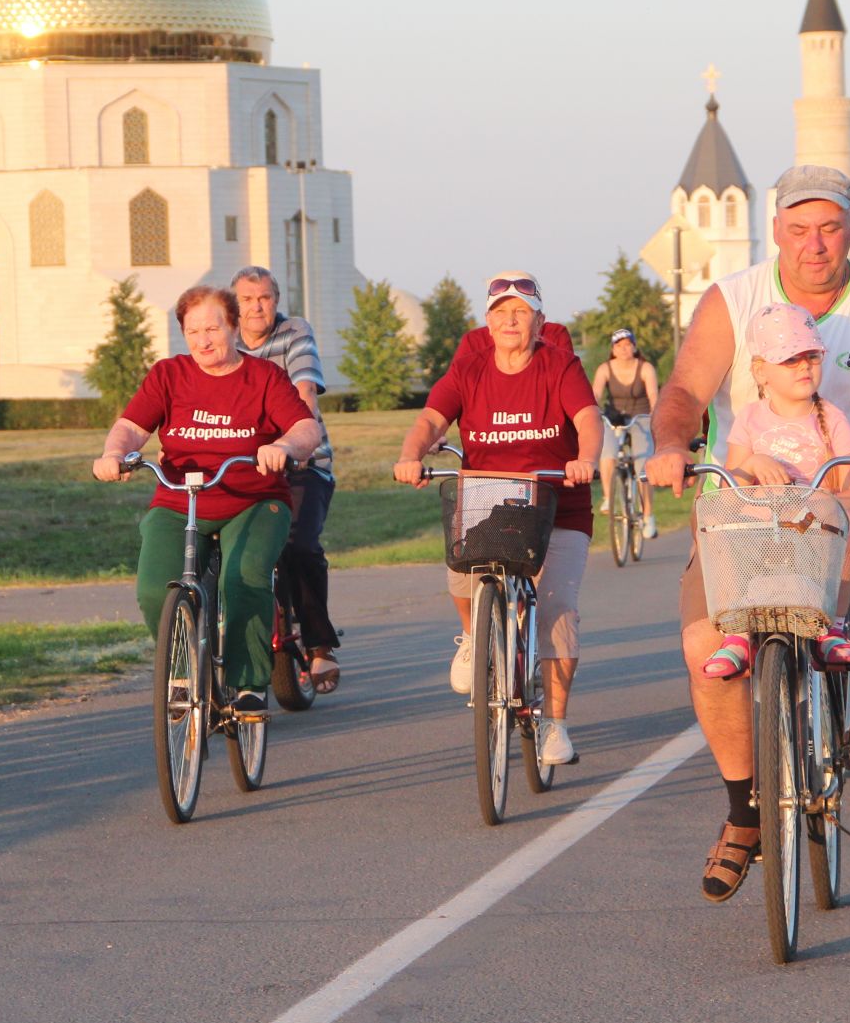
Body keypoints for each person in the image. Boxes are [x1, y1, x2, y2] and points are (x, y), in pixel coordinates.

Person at [645, 164, 850, 903]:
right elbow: (684, 388)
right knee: (705, 642)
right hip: (749, 497)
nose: (814, 244)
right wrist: (671, 445)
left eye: (829, 227)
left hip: (847, 476)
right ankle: (743, 814)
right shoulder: (734, 299)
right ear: (777, 232)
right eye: (799, 229)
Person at [392, 270, 600, 765]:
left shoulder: (560, 365)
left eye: (521, 311)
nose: (511, 319)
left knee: (555, 609)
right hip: (487, 495)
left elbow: (588, 419)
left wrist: (585, 458)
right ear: (487, 322)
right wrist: (411, 453)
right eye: (501, 311)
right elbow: (432, 420)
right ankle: (472, 637)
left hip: (557, 500)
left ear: (539, 321)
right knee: (462, 573)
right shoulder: (470, 369)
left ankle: (555, 722)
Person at [93, 286, 322, 714]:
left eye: (213, 328)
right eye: (192, 331)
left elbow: (306, 429)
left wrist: (286, 446)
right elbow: (130, 427)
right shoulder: (168, 375)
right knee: (153, 589)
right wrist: (114, 454)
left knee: (245, 577)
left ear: (234, 327)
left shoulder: (264, 378)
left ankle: (249, 683)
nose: (203, 340)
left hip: (253, 499)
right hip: (181, 498)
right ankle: (181, 672)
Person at [701, 303, 850, 679]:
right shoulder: (749, 419)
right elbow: (735, 487)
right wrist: (752, 464)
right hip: (762, 531)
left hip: (814, 532)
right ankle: (737, 633)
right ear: (762, 371)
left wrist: (823, 504)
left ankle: (833, 626)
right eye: (790, 359)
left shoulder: (833, 419)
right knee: (721, 524)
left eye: (811, 356)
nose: (804, 366)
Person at [232, 266, 341, 693]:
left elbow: (304, 392)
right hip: (242, 466)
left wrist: (295, 445)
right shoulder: (226, 341)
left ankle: (318, 645)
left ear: (276, 301)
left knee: (297, 544)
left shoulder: (294, 332)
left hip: (303, 463)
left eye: (265, 298)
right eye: (247, 299)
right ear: (234, 305)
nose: (257, 307)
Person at [592, 327, 659, 536]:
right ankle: (608, 498)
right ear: (613, 349)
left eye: (628, 345)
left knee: (642, 467)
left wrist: (656, 418)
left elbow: (654, 397)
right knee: (607, 453)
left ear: (634, 347)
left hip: (641, 418)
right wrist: (593, 413)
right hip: (614, 418)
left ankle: (648, 516)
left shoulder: (645, 368)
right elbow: (594, 395)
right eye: (619, 346)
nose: (624, 350)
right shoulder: (605, 369)